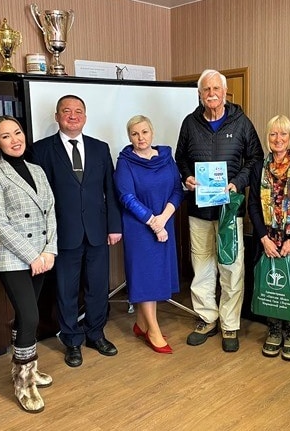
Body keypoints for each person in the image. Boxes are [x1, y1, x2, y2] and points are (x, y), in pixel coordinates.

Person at [175, 69, 264, 352]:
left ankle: (229, 324)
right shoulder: (190, 123)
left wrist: (238, 182)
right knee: (201, 266)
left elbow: (256, 158)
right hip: (199, 210)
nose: (211, 94)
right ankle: (206, 318)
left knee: (231, 266)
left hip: (229, 211)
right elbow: (181, 158)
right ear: (200, 95)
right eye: (206, 90)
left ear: (225, 93)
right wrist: (187, 176)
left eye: (216, 89)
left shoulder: (242, 123)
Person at [31, 95, 122, 368]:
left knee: (97, 289)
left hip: (97, 232)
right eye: (66, 111)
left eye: (78, 111)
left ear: (85, 116)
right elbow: (40, 198)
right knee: (66, 290)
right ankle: (71, 340)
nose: (73, 115)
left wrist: (114, 226)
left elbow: (110, 190)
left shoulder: (100, 148)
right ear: (57, 116)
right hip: (63, 234)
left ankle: (96, 334)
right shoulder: (41, 150)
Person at [0, 116, 58, 412]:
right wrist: (33, 256)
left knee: (29, 316)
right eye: (6, 136)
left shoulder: (37, 170)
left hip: (42, 256)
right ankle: (23, 381)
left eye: (18, 132)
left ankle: (28, 368)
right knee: (30, 315)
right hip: (15, 258)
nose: (15, 139)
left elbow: (51, 211)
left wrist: (49, 251)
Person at [113, 115, 184, 354]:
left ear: (152, 132)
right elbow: (126, 197)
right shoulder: (125, 162)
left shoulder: (165, 157)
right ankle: (153, 329)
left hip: (165, 223)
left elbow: (176, 189)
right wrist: (154, 222)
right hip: (139, 228)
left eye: (144, 132)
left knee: (157, 276)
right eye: (134, 134)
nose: (140, 138)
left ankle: (141, 324)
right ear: (129, 136)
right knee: (144, 277)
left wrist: (164, 218)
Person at [247, 115, 290, 360]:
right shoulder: (258, 168)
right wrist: (263, 237)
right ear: (268, 137)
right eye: (273, 134)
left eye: (283, 134)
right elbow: (253, 204)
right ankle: (274, 330)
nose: (278, 139)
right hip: (266, 240)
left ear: (289, 137)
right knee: (269, 285)